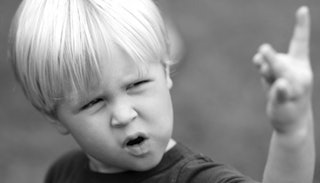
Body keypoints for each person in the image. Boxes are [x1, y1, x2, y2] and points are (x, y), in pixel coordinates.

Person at [8, 0, 315, 182]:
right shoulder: (64, 174)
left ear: (166, 69)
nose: (124, 115)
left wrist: (291, 131)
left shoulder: (192, 179)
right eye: (94, 102)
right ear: (55, 117)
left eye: (136, 85)